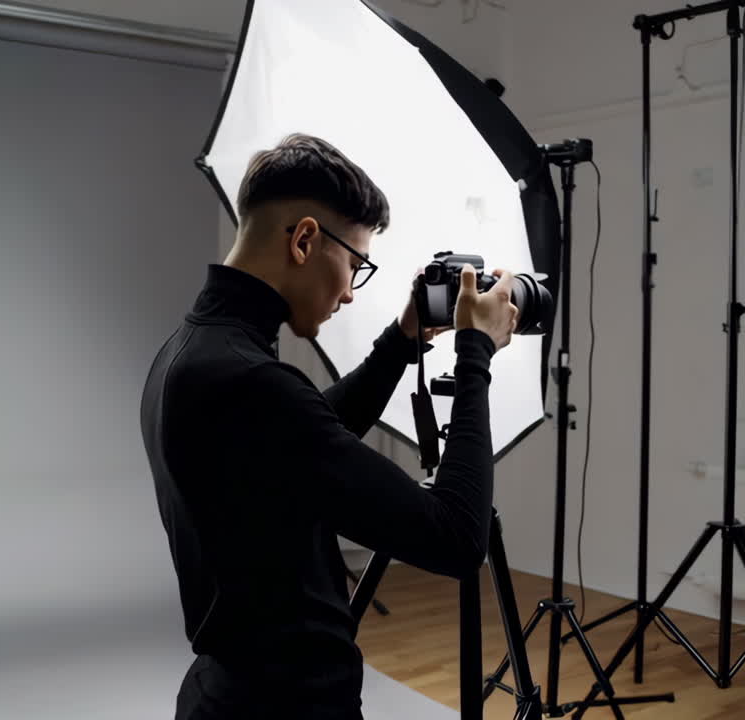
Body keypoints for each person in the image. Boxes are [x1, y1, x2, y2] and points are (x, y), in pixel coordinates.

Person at [140, 133, 518, 719]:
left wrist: (402, 339)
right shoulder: (252, 384)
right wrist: (475, 353)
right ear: (305, 239)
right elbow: (457, 538)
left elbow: (306, 438)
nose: (348, 289)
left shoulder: (192, 352)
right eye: (355, 263)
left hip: (227, 695)